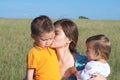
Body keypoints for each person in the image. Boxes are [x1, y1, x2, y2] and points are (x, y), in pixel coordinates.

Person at [26, 15, 60, 80]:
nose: (48, 42)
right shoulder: (34, 52)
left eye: (51, 38)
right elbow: (29, 75)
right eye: (44, 40)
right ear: (33, 36)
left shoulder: (52, 48)